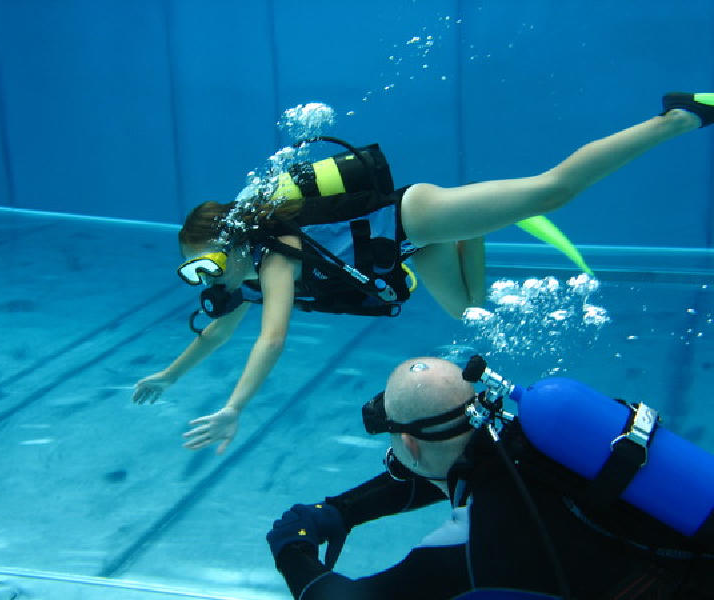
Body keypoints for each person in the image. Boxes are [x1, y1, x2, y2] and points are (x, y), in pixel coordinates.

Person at [133, 92, 714, 454]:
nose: (207, 279)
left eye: (208, 264)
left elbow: (273, 337)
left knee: (551, 190)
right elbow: (221, 329)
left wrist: (234, 407)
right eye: (194, 273)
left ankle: (680, 116)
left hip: (414, 215)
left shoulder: (277, 252)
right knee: (471, 313)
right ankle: (474, 225)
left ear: (234, 245)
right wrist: (169, 374)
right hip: (411, 247)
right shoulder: (246, 274)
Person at [266, 356, 714, 599]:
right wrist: (345, 510)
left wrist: (293, 548)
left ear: (409, 444)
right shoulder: (549, 441)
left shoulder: (468, 540)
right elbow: (450, 469)